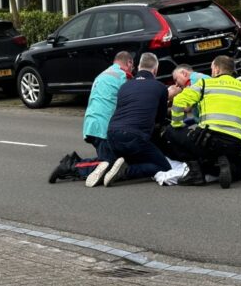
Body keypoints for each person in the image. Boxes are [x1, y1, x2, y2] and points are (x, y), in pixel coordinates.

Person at [168, 55, 241, 188]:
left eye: (212, 69)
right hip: (233, 145)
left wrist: (177, 124)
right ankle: (223, 162)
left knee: (172, 131)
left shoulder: (205, 84)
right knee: (240, 171)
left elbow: (178, 101)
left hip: (207, 142)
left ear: (216, 69)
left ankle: (196, 173)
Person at [48, 51, 134, 185]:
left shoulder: (103, 74)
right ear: (129, 63)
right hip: (103, 127)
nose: (132, 70)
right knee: (109, 166)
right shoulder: (123, 76)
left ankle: (75, 165)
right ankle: (70, 167)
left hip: (92, 123)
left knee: (112, 161)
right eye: (132, 66)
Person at [92, 52, 170, 187]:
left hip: (112, 134)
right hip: (135, 137)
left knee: (114, 160)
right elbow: (160, 119)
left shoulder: (124, 86)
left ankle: (95, 167)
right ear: (155, 70)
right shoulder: (160, 87)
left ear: (139, 67)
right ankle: (126, 172)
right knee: (163, 166)